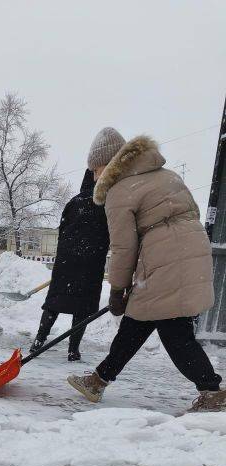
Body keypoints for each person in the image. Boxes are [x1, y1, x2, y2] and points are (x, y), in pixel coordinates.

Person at [68, 127, 225, 412]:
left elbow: (123, 247)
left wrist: (117, 288)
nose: (94, 177)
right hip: (189, 251)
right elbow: (191, 215)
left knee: (175, 331)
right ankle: (98, 380)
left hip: (165, 259)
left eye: (96, 169)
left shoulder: (118, 191)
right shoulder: (167, 175)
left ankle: (213, 392)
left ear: (111, 162)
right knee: (137, 322)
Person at [31, 169, 110, 361]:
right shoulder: (106, 205)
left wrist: (69, 251)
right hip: (91, 264)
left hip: (66, 262)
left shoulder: (73, 202)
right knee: (82, 307)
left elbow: (63, 229)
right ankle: (73, 350)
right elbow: (109, 233)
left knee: (54, 302)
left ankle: (38, 342)